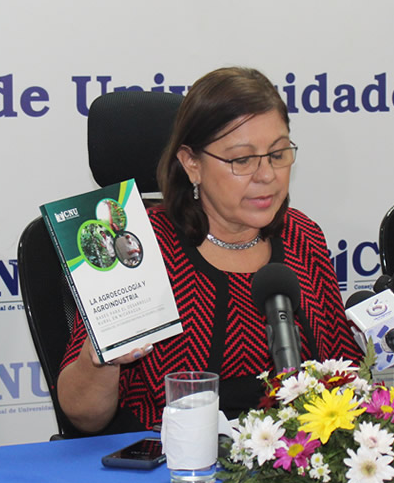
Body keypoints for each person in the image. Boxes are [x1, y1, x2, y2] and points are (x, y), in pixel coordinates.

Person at [56, 67, 364, 434]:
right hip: (171, 470)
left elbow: (346, 376)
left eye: (278, 154)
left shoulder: (303, 236)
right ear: (192, 164)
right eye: (242, 160)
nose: (267, 174)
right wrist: (102, 360)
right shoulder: (137, 248)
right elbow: (84, 416)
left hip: (295, 466)